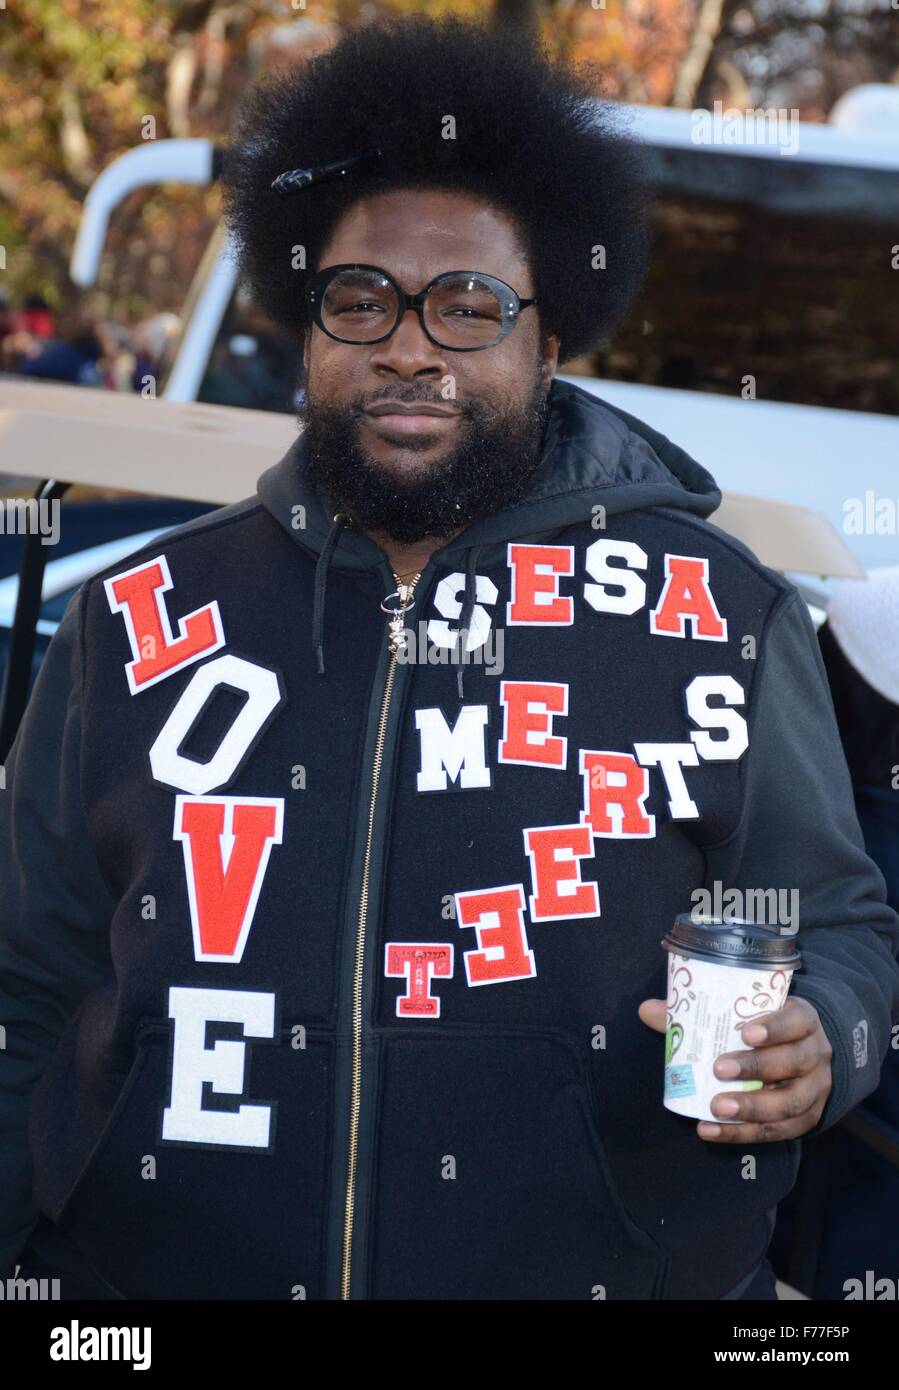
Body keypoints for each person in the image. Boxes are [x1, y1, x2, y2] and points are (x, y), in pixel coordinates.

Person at [1, 14, 898, 1302]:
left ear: (550, 338)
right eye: (359, 300)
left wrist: (828, 1037)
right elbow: (30, 986)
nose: (409, 345)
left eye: (469, 304)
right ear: (303, 332)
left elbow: (835, 921)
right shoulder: (135, 614)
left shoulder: (723, 615)